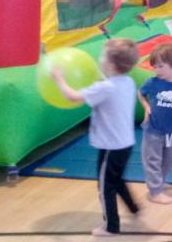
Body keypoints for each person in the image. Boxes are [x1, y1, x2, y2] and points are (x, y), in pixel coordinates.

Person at [50, 39, 140, 237]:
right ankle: (134, 208)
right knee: (115, 179)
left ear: (110, 64)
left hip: (111, 146)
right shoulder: (128, 82)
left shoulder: (105, 88)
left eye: (103, 56)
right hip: (125, 143)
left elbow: (72, 96)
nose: (100, 59)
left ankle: (111, 226)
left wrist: (59, 79)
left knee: (104, 186)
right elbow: (107, 88)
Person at [137, 43, 172, 205]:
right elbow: (141, 93)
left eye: (160, 66)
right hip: (153, 128)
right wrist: (147, 108)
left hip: (171, 130)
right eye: (154, 67)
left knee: (169, 158)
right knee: (152, 159)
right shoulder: (152, 82)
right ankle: (155, 191)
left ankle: (161, 181)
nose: (156, 70)